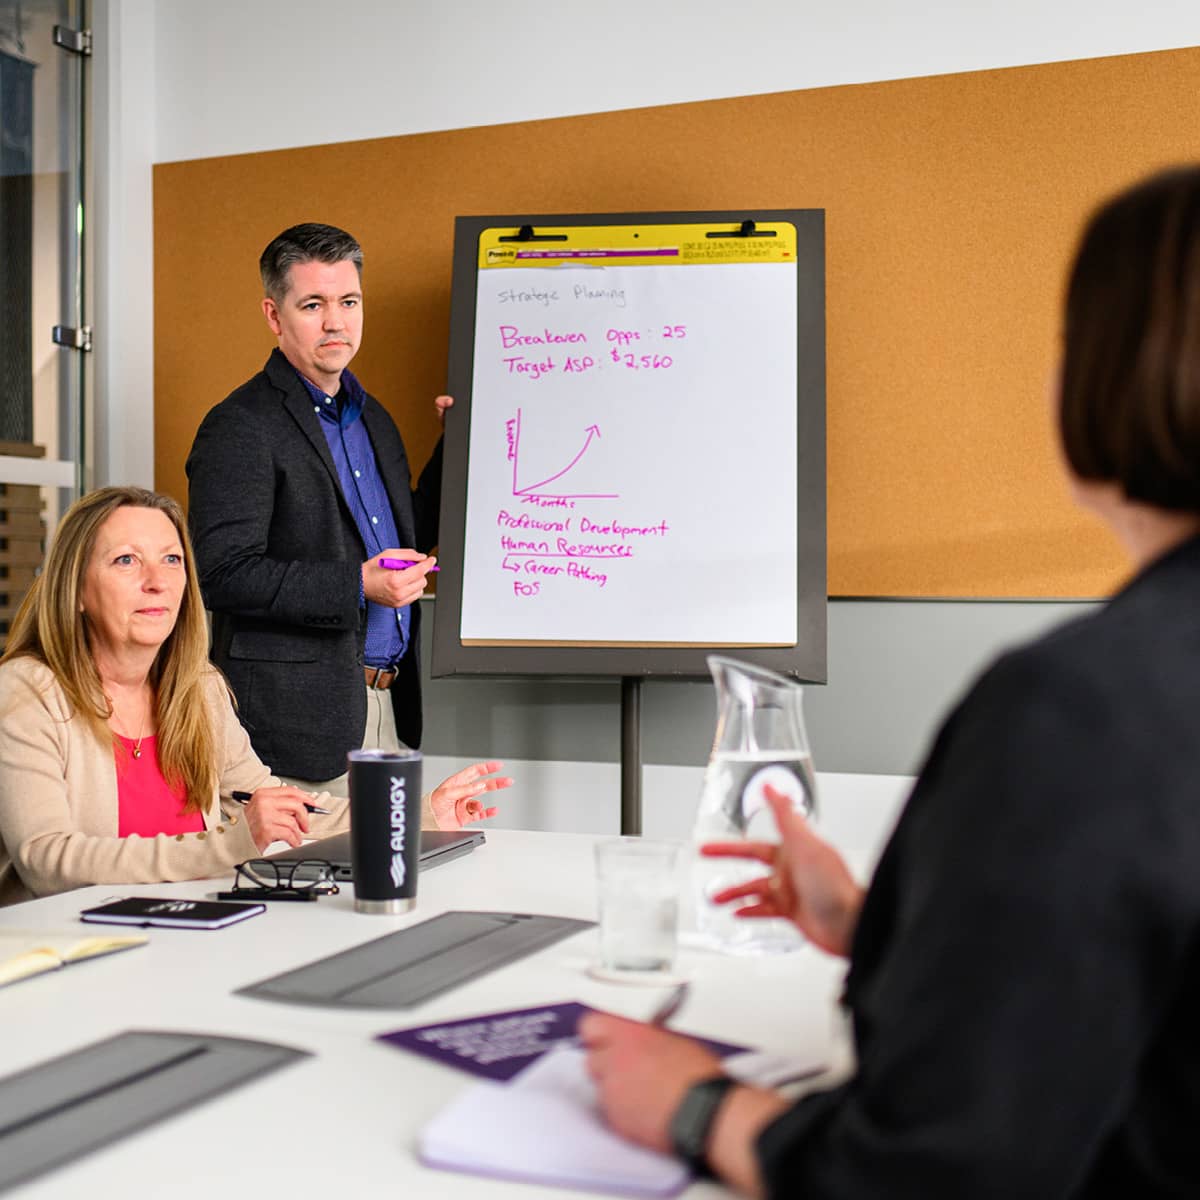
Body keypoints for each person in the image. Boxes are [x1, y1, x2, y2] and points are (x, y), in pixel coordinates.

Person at [581, 165, 1200, 1198]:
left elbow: (943, 1168)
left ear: (1104, 377)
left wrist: (697, 1104)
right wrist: (884, 931)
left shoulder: (1085, 707)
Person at [0, 487, 510, 906]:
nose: (157, 582)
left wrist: (414, 816)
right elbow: (47, 862)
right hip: (72, 951)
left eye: (172, 559)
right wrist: (228, 844)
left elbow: (280, 808)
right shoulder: (26, 692)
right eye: (126, 560)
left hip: (182, 938)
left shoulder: (197, 688)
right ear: (77, 589)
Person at [186, 222, 448, 792]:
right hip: (291, 730)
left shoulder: (373, 418)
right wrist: (357, 585)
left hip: (386, 711)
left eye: (348, 301)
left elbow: (405, 541)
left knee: (384, 881)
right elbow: (222, 575)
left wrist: (457, 442)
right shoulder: (239, 426)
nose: (336, 321)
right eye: (313, 304)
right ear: (274, 316)